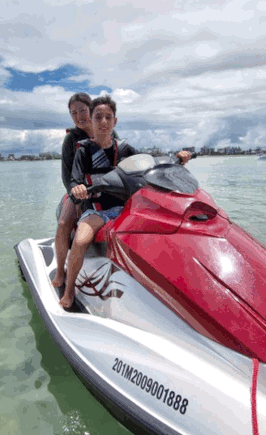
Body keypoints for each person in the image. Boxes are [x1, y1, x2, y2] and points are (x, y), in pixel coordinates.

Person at [58, 94, 191, 308]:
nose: (103, 121)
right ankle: (69, 289)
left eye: (108, 117)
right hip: (98, 210)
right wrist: (77, 188)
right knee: (81, 241)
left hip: (127, 208)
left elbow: (150, 165)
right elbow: (73, 179)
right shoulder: (82, 150)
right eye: (98, 117)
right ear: (92, 120)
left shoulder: (125, 149)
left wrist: (177, 160)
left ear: (115, 122)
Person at [52, 92, 119, 288]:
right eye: (73, 113)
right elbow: (67, 176)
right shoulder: (71, 139)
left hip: (107, 192)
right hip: (78, 193)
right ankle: (60, 271)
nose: (79, 116)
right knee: (64, 222)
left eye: (82, 111)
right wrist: (77, 197)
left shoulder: (110, 133)